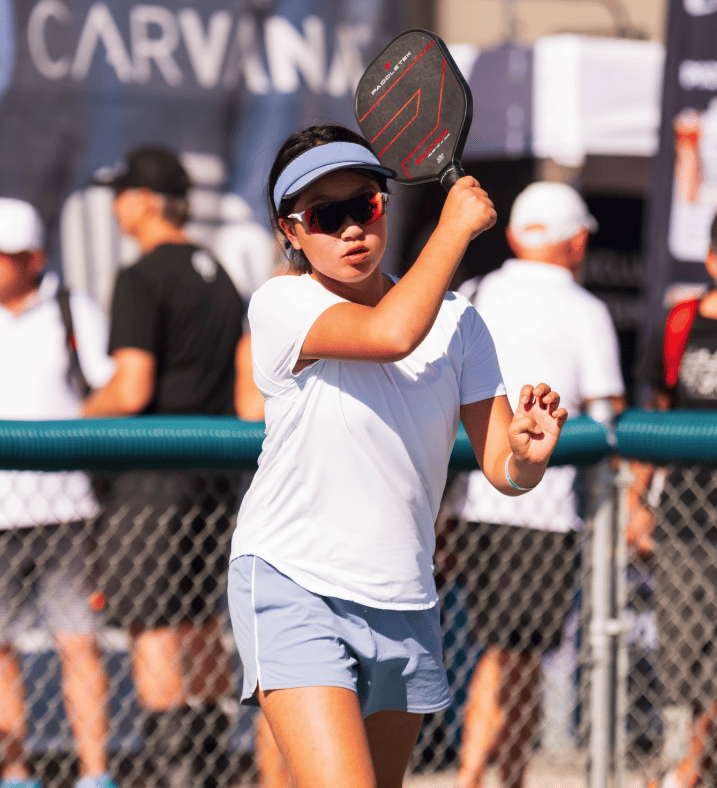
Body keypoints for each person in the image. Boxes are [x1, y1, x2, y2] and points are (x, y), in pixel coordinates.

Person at [226, 123, 569, 788]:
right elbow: (392, 334)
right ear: (290, 231)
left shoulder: (460, 321)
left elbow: (503, 470)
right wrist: (453, 228)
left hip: (406, 599)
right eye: (325, 216)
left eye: (365, 204)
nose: (352, 228)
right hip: (293, 582)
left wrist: (526, 456)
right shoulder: (280, 302)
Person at [447, 181, 626, 788]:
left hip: (476, 502)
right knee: (514, 656)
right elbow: (606, 409)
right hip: (539, 510)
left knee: (506, 652)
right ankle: (479, 776)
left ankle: (500, 775)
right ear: (575, 242)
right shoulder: (584, 310)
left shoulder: (475, 291)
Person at [82, 147, 246, 788]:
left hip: (151, 478)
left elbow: (130, 388)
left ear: (144, 201)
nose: (117, 208)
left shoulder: (142, 275)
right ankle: (208, 768)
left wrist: (79, 416)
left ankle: (177, 775)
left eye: (122, 195)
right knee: (199, 622)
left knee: (152, 623)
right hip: (214, 475)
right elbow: (245, 388)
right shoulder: (219, 273)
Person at [0, 198, 118, 788]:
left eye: (4, 255)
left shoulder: (74, 309)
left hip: (68, 510)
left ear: (33, 258)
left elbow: (109, 388)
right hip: (1, 514)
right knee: (0, 649)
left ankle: (94, 773)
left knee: (79, 644)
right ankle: (14, 772)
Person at [633, 212, 717, 788]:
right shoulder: (680, 323)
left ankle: (690, 766)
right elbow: (657, 416)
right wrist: (637, 501)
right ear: (710, 259)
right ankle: (691, 757)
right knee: (683, 645)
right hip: (685, 512)